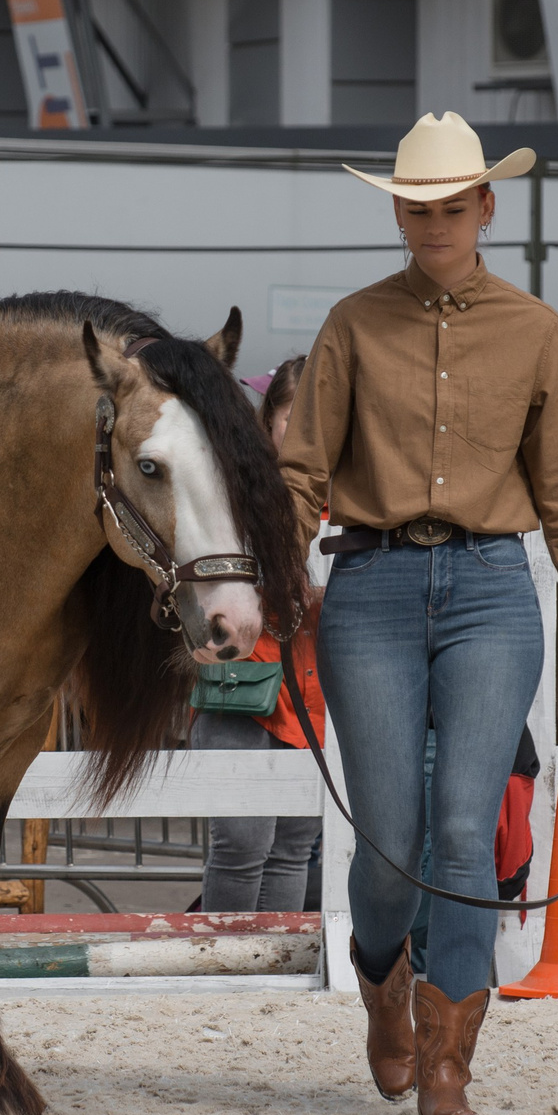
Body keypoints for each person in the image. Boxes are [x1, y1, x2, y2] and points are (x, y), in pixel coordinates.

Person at [282, 111, 558, 1115]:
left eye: (448, 205)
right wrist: (267, 576)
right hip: (372, 590)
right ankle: (384, 987)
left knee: (465, 832)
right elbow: (302, 470)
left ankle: (447, 1066)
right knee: (389, 841)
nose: (430, 222)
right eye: (414, 206)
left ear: (485, 205)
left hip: (489, 590)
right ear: (397, 209)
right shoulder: (350, 324)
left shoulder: (529, 333)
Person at [193, 356, 324, 913]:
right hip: (240, 690)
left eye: (321, 418)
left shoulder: (354, 500)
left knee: (295, 846)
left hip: (315, 694)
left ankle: (278, 974)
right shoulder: (233, 493)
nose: (307, 433)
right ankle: (230, 967)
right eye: (295, 417)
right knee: (242, 843)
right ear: (269, 417)